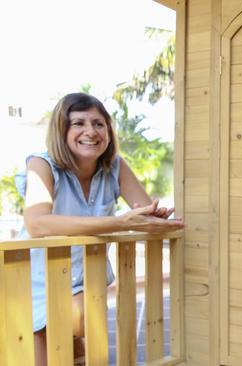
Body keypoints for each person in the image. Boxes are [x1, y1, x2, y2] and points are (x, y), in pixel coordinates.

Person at [14, 92, 184, 365]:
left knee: (82, 327)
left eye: (98, 123)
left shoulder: (115, 166)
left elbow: (141, 209)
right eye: (78, 123)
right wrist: (119, 221)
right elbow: (37, 223)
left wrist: (156, 217)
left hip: (85, 278)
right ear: (62, 130)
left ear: (108, 131)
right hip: (35, 280)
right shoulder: (41, 164)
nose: (90, 131)